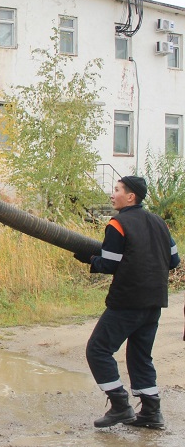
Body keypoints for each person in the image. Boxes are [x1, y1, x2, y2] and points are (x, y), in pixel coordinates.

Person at [74, 175, 179, 430]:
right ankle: (152, 412)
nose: (112, 194)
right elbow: (174, 261)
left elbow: (109, 263)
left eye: (117, 190)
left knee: (98, 350)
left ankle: (120, 405)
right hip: (154, 301)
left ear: (131, 196)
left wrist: (89, 258)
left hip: (127, 301)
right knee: (140, 356)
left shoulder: (118, 223)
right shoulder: (159, 222)